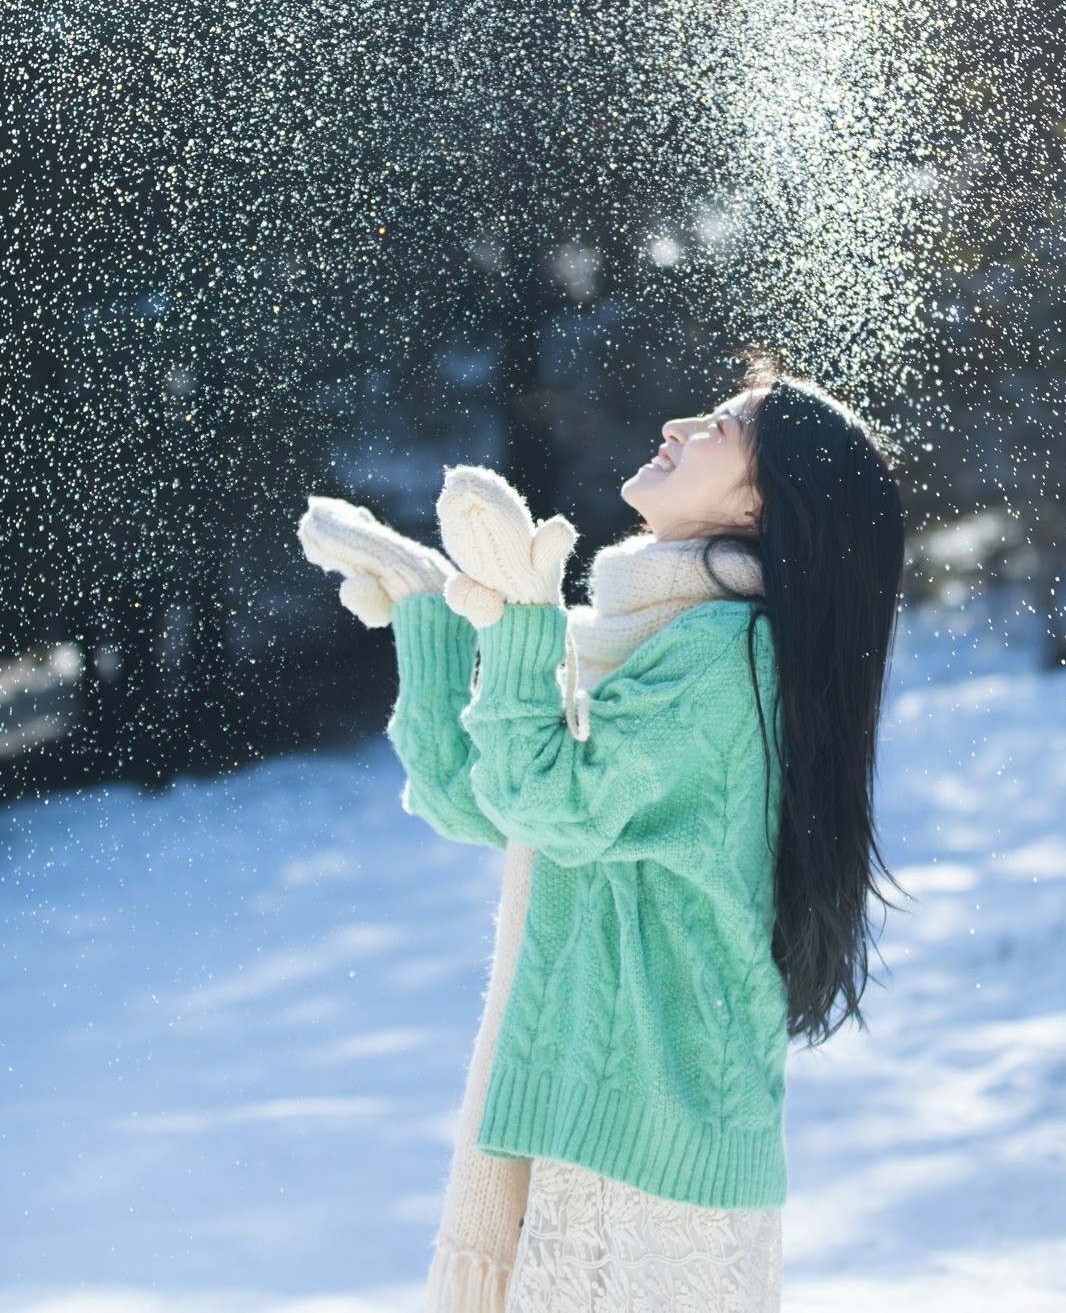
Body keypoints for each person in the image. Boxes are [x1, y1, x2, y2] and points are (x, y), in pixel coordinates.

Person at [298, 352, 908, 1312]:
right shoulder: (642, 639)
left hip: (655, 1119)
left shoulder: (723, 658)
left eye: (721, 428)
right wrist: (430, 615)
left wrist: (526, 616)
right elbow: (483, 802)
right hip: (587, 1095)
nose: (678, 427)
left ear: (762, 504)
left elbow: (551, 802)